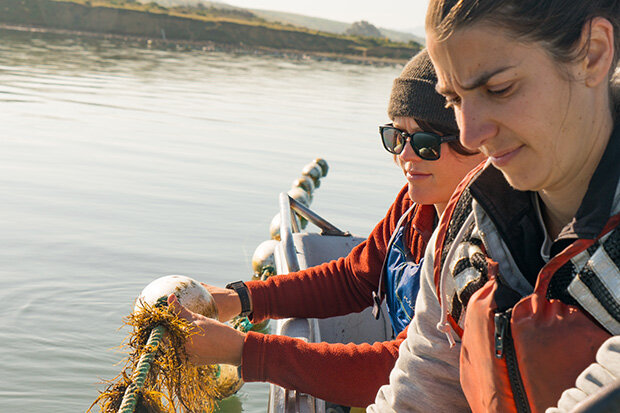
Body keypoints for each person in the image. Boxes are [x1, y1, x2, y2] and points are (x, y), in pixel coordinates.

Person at [167, 49, 485, 408]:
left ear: (481, 140)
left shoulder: (484, 253)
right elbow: (353, 279)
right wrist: (246, 298)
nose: (406, 157)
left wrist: (244, 351)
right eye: (396, 137)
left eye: (426, 144)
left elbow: (408, 371)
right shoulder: (415, 207)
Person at [368, 0, 620, 412]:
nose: (469, 134)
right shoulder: (462, 231)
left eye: (498, 89)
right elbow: (423, 381)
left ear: (592, 53)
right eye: (454, 100)